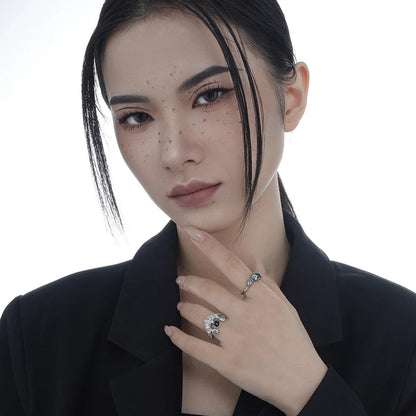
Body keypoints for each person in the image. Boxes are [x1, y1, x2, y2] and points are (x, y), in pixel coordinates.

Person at [1, 0, 415, 415]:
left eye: (210, 95)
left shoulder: (402, 337)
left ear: (291, 97)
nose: (174, 152)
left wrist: (309, 391)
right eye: (136, 117)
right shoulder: (38, 337)